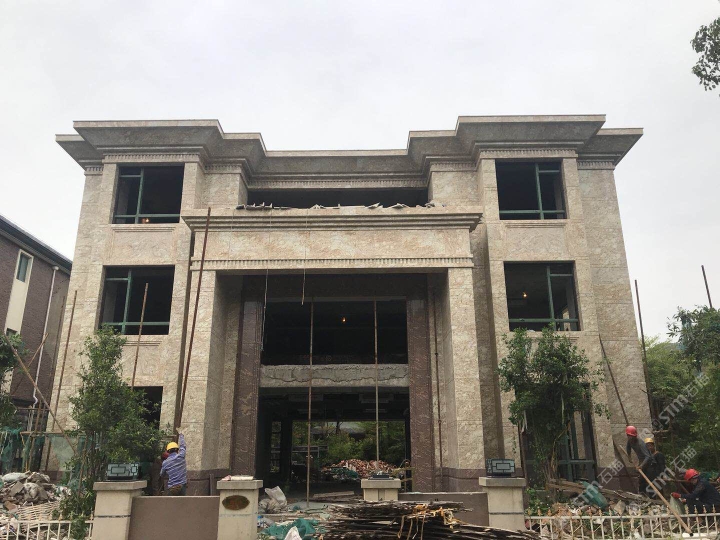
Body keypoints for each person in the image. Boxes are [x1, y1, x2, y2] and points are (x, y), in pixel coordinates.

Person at [625, 426, 655, 495]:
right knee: (641, 479)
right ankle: (642, 494)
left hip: (649, 462)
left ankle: (652, 496)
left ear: (634, 436)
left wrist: (641, 466)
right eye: (628, 435)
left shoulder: (640, 443)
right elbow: (628, 448)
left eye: (630, 436)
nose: (629, 437)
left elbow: (648, 456)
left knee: (649, 479)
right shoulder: (630, 441)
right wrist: (629, 456)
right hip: (641, 460)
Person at [160, 429, 187, 496]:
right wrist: (181, 435)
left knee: (171, 502)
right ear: (177, 450)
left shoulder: (165, 463)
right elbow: (183, 446)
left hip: (172, 487)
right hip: (182, 485)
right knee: (182, 502)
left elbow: (161, 474)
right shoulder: (181, 456)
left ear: (168, 451)